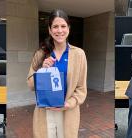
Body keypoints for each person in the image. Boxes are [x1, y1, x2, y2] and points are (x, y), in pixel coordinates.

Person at [27, 9, 87, 138]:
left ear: (68, 28)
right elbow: (31, 85)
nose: (59, 30)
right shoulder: (41, 53)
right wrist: (41, 70)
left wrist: (68, 104)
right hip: (45, 111)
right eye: (55, 26)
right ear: (49, 29)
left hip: (68, 111)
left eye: (63, 26)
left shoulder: (79, 54)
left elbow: (81, 89)